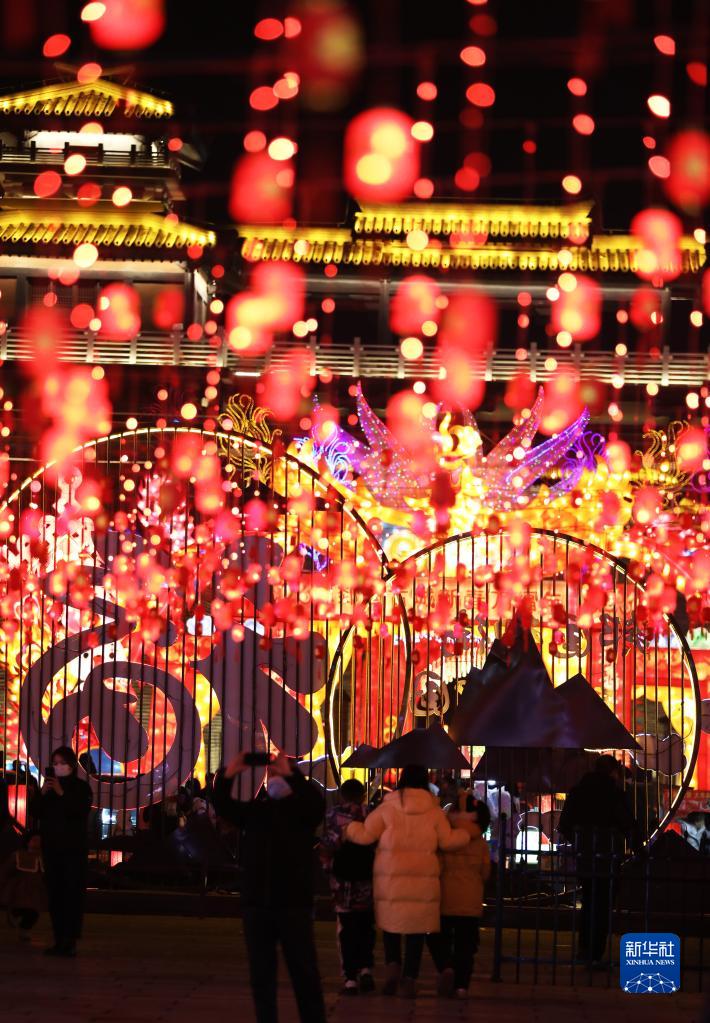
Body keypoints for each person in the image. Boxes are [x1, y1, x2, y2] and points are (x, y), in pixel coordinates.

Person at [213, 751, 326, 1023]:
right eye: (270, 772)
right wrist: (230, 773)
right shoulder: (257, 810)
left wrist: (292, 774)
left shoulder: (301, 812)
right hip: (258, 904)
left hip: (292, 904)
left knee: (304, 972)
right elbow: (224, 805)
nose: (272, 776)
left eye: (277, 773)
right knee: (262, 976)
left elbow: (316, 805)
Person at [346, 763, 470, 998]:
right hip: (423, 882)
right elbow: (447, 841)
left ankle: (393, 966)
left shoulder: (387, 807)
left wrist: (350, 827)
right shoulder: (434, 811)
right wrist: (465, 834)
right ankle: (410, 978)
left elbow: (365, 835)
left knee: (391, 925)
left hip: (391, 880)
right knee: (416, 931)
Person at [558, 754, 639, 965]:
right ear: (612, 772)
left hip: (585, 855)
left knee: (588, 900)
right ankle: (595, 951)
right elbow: (628, 825)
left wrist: (580, 840)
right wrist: (638, 849)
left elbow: (564, 825)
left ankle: (584, 948)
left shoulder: (578, 792)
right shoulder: (615, 794)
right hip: (608, 855)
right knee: (603, 904)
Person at [427, 790, 491, 998]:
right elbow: (485, 873)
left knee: (437, 938)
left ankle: (446, 965)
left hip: (445, 900)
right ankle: (461, 985)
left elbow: (437, 867)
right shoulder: (481, 844)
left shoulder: (446, 841)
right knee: (466, 946)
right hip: (471, 902)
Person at [320, 778, 376, 995]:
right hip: (366, 881)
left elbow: (328, 845)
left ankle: (350, 977)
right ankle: (366, 969)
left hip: (343, 882)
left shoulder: (334, 815)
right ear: (363, 795)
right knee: (366, 927)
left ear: (342, 795)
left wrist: (329, 868)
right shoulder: (371, 814)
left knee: (346, 929)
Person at [37, 746, 93, 957]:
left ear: (70, 765)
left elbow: (79, 811)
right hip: (52, 850)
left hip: (73, 851)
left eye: (62, 763)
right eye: (55, 763)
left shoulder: (81, 788)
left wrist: (62, 793)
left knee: (71, 895)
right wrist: (42, 794)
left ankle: (70, 940)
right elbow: (37, 812)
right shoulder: (49, 789)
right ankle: (59, 938)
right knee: (55, 895)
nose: (58, 767)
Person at [0, 833, 46, 940]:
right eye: (34, 840)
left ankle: (24, 930)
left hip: (35, 890)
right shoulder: (18, 855)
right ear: (28, 842)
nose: (37, 843)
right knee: (20, 907)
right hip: (20, 889)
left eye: (39, 841)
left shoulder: (44, 857)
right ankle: (14, 916)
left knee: (34, 913)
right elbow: (5, 871)